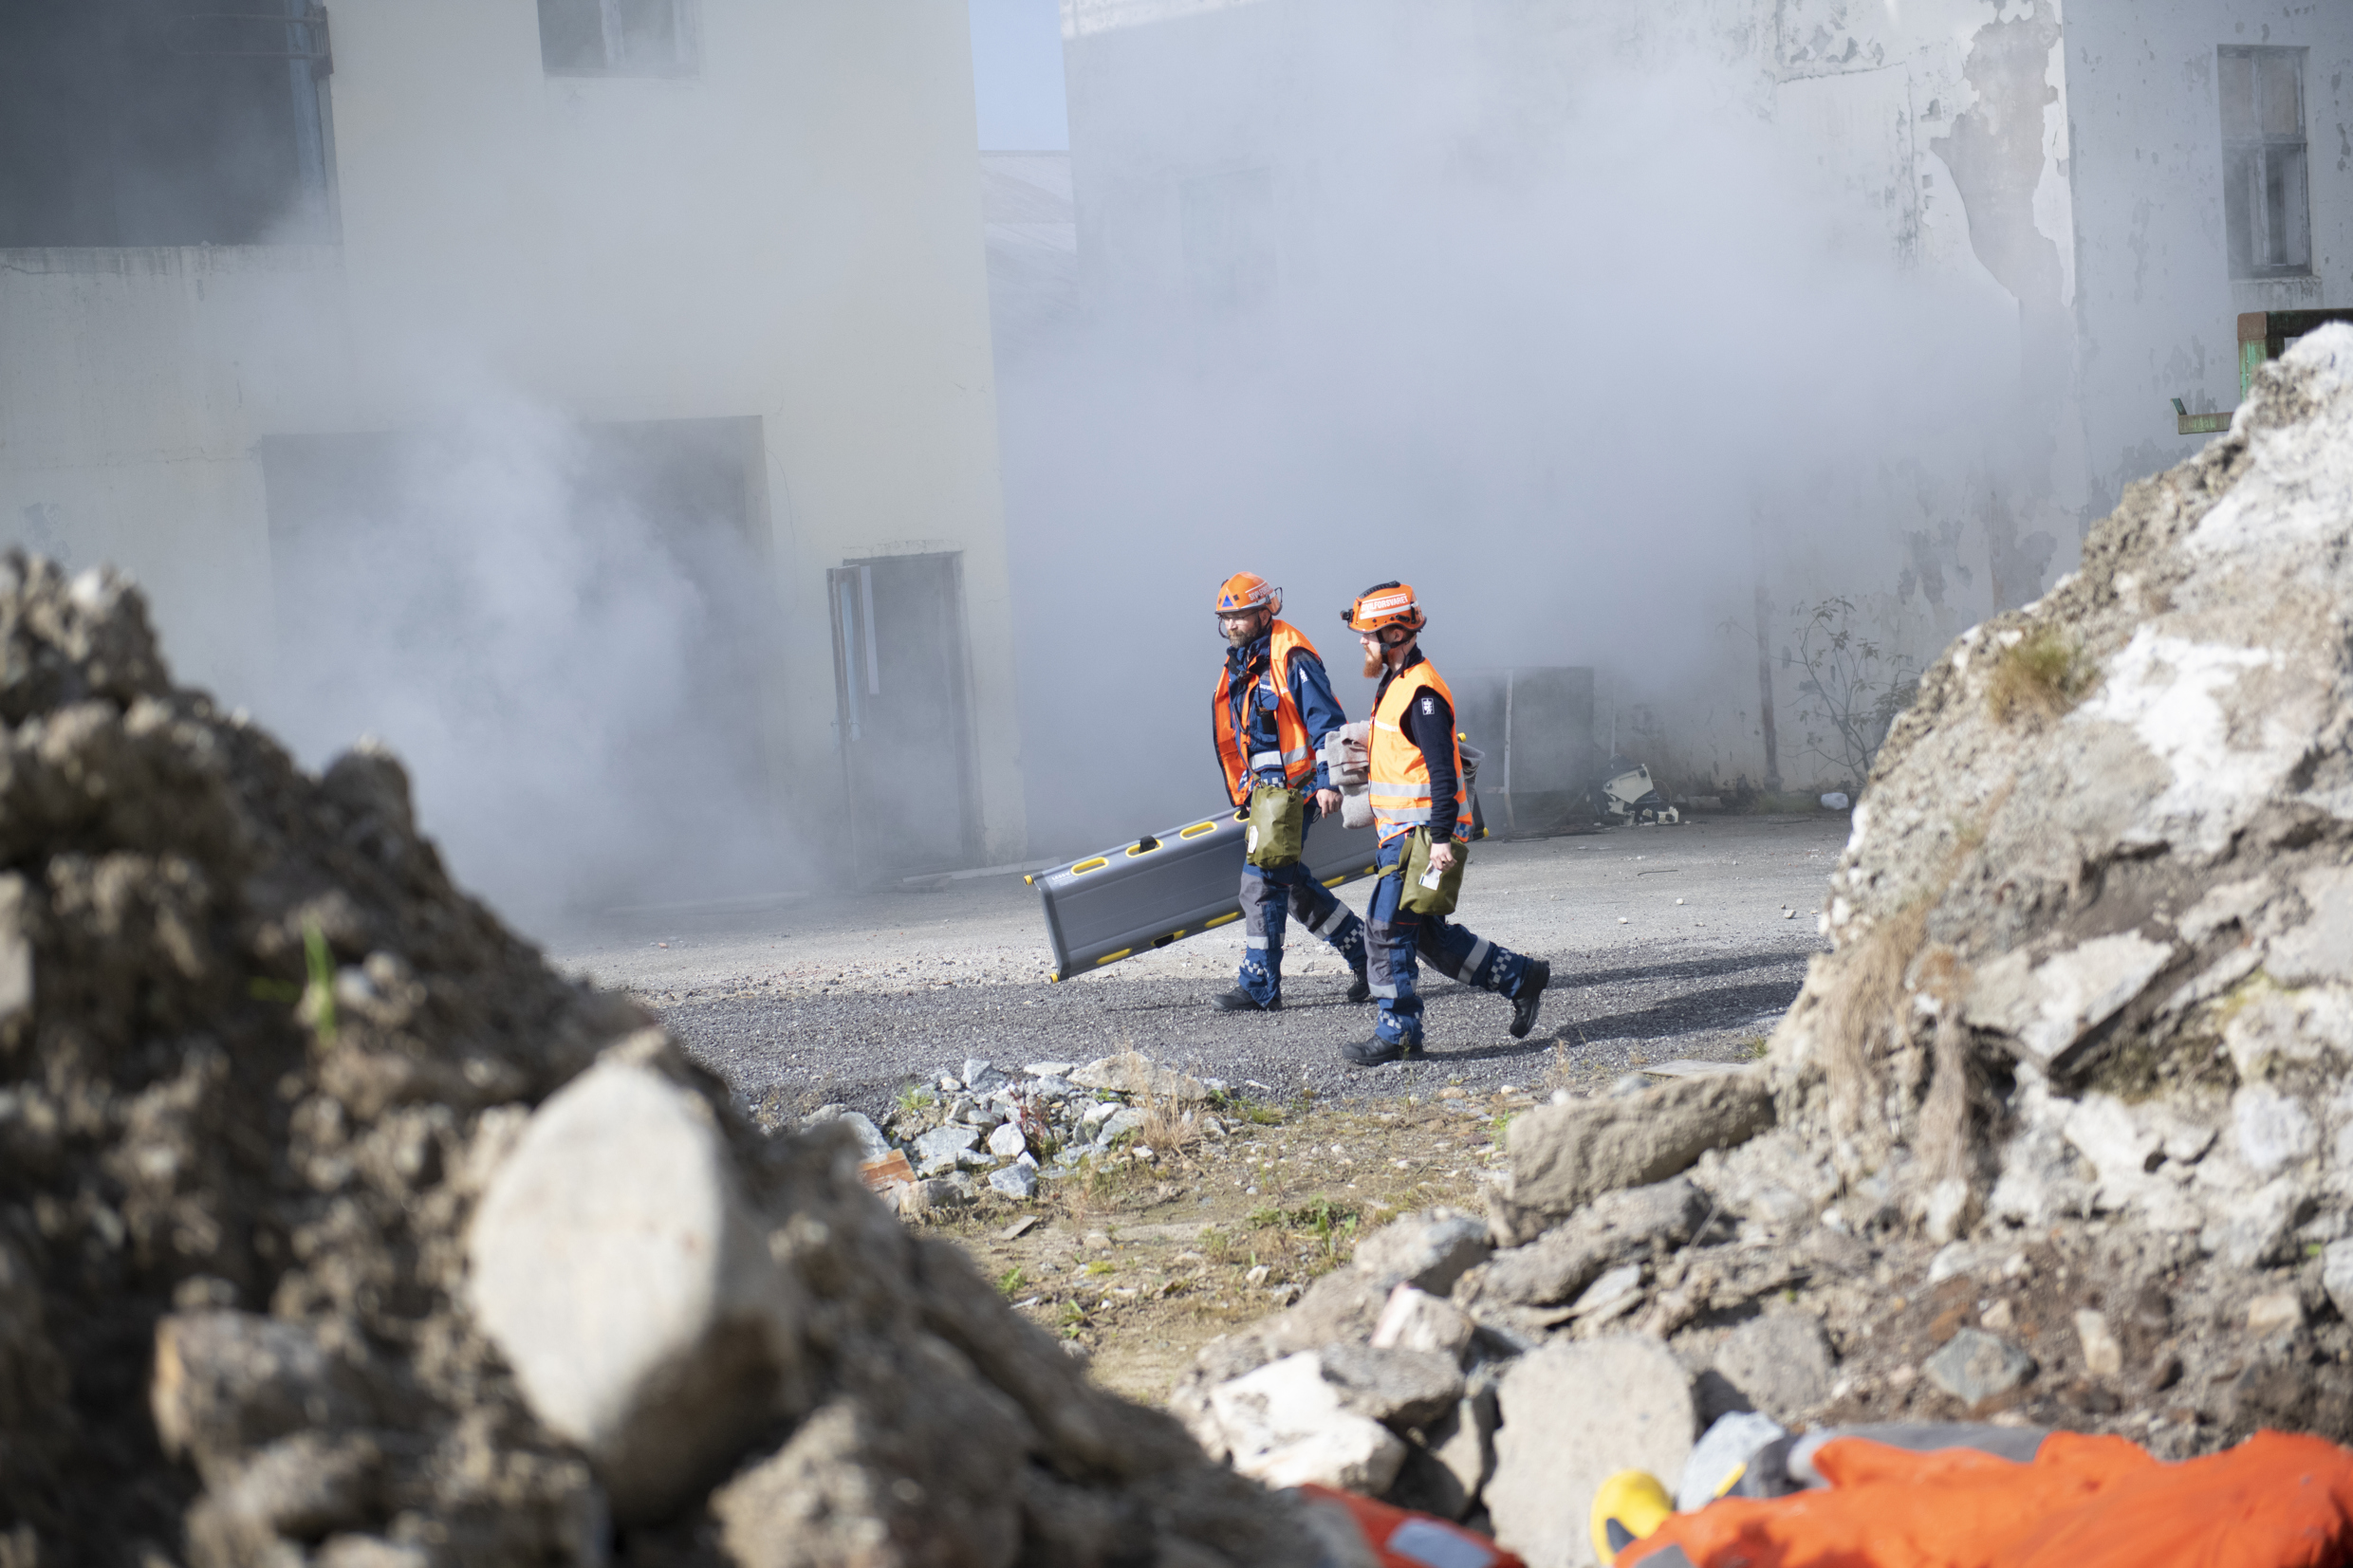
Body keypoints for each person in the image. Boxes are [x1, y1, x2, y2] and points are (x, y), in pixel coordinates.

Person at [1340, 581, 1548, 1064]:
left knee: (1386, 927)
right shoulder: (1395, 684)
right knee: (1429, 936)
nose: (1361, 642)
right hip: (1404, 837)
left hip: (1421, 841)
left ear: (1395, 634)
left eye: (1368, 634)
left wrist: (1439, 840)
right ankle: (1521, 978)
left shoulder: (1422, 694)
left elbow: (1441, 771)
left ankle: (1399, 1031)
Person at [1210, 572, 1370, 1012]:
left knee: (1259, 882)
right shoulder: (1244, 661)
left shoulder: (1291, 654)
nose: (1232, 626)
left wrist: (1327, 783)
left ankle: (1259, 985)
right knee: (1293, 887)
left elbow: (1326, 724)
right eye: (1226, 618)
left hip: (1295, 793)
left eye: (1239, 616)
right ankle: (1369, 959)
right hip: (1267, 798)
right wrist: (1245, 792)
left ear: (1265, 611)